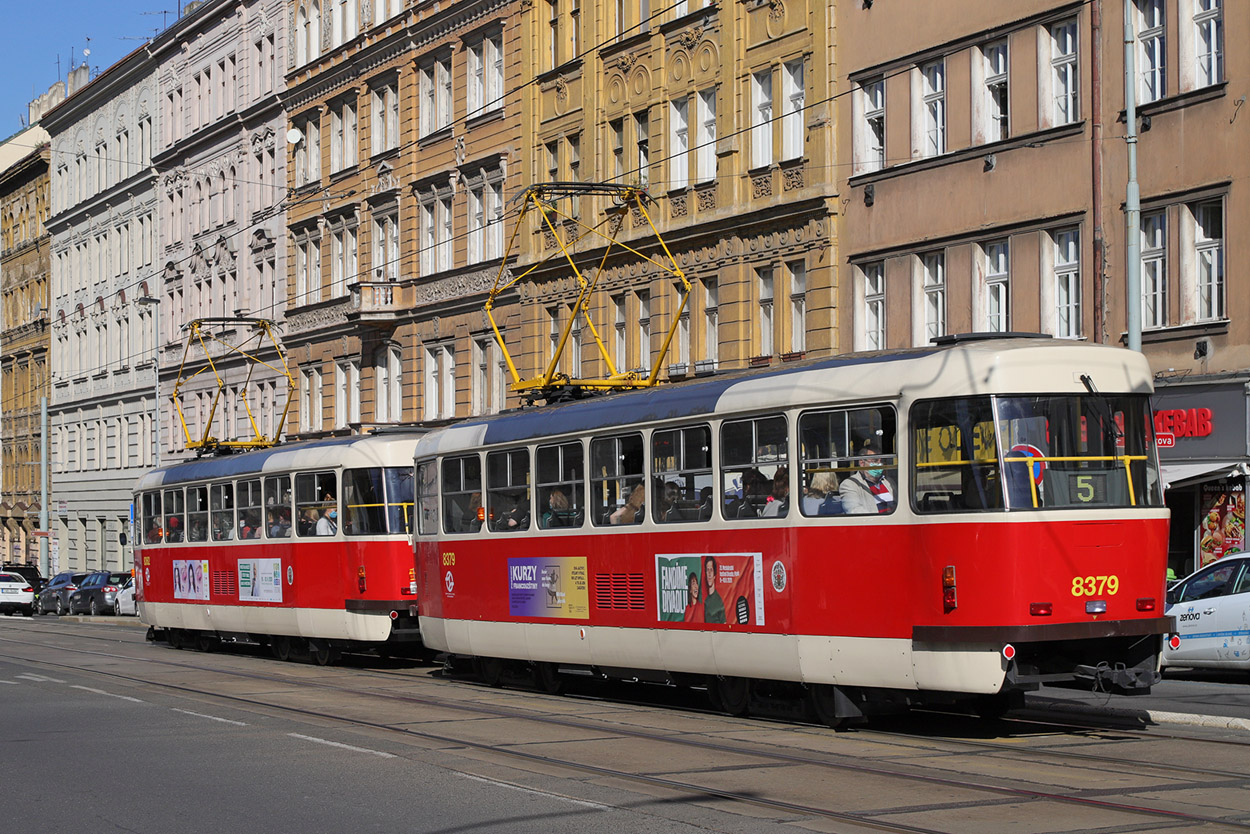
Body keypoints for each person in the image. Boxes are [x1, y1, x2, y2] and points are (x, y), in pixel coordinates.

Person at [840, 442, 895, 514]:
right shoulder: (850, 484)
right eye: (875, 461)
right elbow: (854, 510)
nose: (879, 464)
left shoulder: (888, 481)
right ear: (862, 463)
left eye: (881, 461)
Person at [702, 555, 725, 624]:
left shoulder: (719, 601)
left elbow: (724, 624)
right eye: (707, 570)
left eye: (711, 570)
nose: (709, 574)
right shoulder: (706, 600)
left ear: (714, 575)